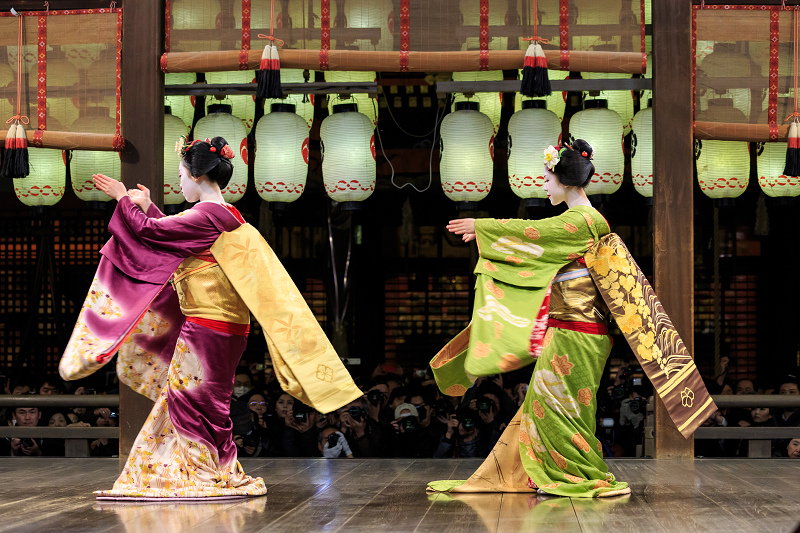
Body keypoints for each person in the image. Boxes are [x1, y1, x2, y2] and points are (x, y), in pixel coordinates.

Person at [58, 136, 361, 500]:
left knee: (192, 401)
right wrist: (147, 205)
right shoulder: (224, 214)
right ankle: (212, 467)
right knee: (201, 401)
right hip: (224, 328)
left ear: (198, 175)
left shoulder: (206, 215)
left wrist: (124, 200)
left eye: (182, 175)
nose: (180, 183)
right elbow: (176, 235)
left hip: (206, 327)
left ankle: (202, 474)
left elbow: (154, 233)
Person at [427, 141, 715, 498]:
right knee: (547, 405)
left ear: (563, 180)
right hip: (571, 330)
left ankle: (571, 474)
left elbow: (535, 234)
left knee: (561, 406)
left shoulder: (582, 221)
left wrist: (483, 227)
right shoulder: (582, 221)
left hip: (576, 331)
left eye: (546, 179)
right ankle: (540, 472)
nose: (543, 187)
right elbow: (540, 242)